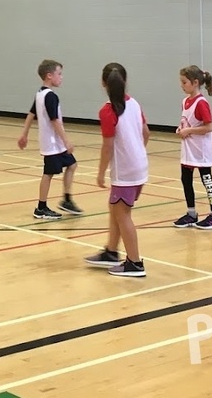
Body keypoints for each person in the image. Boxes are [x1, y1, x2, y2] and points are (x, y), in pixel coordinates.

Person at [84, 63, 150, 277]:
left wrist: (101, 172)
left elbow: (107, 146)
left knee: (123, 215)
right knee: (115, 208)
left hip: (126, 172)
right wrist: (137, 151)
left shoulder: (107, 111)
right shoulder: (134, 104)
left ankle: (135, 263)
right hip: (139, 166)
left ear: (103, 83)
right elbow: (146, 133)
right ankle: (111, 251)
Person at [17, 59, 81, 220]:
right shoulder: (50, 96)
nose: (62, 77)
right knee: (48, 173)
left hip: (55, 144)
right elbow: (54, 120)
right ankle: (41, 207)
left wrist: (24, 134)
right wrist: (66, 140)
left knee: (72, 164)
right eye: (59, 74)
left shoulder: (40, 93)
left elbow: (31, 114)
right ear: (49, 76)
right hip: (52, 143)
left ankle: (66, 199)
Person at [172, 66, 212, 230]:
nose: (181, 85)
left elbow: (208, 127)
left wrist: (190, 131)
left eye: (184, 82)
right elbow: (187, 121)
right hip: (188, 149)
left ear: (195, 83)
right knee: (185, 179)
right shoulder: (185, 101)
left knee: (207, 181)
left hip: (201, 151)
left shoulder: (201, 103)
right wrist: (181, 129)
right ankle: (191, 213)